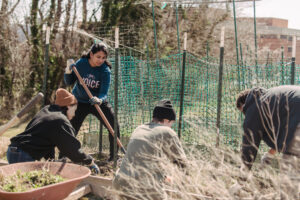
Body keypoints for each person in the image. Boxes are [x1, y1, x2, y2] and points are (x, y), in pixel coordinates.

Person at [7, 88, 99, 174]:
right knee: (26, 186)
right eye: (74, 110)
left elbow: (46, 140)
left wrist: (51, 161)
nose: (74, 115)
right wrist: (89, 161)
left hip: (13, 151)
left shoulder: (46, 111)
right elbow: (72, 148)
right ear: (68, 106)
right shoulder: (60, 120)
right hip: (23, 155)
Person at [113, 100, 187, 200]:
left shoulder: (139, 129)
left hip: (121, 184)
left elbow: (142, 162)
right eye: (171, 123)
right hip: (146, 189)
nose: (171, 126)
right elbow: (182, 164)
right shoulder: (167, 131)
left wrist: (164, 177)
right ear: (166, 120)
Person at [64, 43, 120, 161]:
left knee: (114, 125)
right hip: (79, 101)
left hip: (97, 102)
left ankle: (114, 157)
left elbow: (104, 91)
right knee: (70, 129)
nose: (101, 60)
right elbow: (69, 82)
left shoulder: (105, 70)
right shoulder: (81, 64)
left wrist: (99, 99)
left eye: (103, 58)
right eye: (98, 57)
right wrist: (68, 71)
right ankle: (63, 157)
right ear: (91, 54)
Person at [236, 86, 300, 172]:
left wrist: (242, 178)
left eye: (244, 112)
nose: (245, 115)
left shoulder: (254, 107)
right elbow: (284, 134)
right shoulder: (271, 100)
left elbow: (249, 146)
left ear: (244, 106)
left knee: (290, 171)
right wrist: (269, 155)